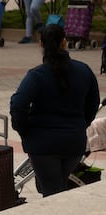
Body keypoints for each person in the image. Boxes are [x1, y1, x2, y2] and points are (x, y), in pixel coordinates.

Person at [10, 24, 99, 197]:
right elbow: (93, 102)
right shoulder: (84, 71)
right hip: (73, 142)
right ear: (64, 42)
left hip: (42, 144)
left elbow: (17, 104)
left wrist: (24, 129)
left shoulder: (36, 75)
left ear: (41, 44)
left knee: (51, 192)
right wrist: (81, 124)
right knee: (59, 189)